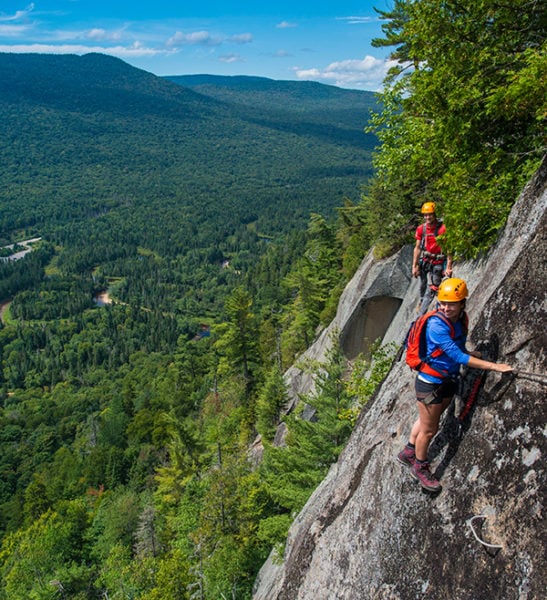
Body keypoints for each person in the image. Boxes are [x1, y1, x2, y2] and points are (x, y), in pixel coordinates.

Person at [397, 278, 513, 492]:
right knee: (430, 429)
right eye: (443, 303)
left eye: (451, 303)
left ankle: (409, 451)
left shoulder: (461, 319)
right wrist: (494, 367)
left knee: (429, 419)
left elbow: (457, 348)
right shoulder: (436, 325)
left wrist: (471, 354)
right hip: (430, 383)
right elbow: (457, 356)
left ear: (462, 303)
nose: (446, 307)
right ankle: (420, 467)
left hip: (446, 379)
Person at [412, 202, 453, 315]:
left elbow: (449, 249)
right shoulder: (421, 229)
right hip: (426, 261)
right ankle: (421, 301)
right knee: (422, 284)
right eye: (425, 215)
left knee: (433, 287)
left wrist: (448, 266)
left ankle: (422, 314)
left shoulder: (442, 229)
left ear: (434, 214)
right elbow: (417, 248)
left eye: (429, 214)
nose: (427, 217)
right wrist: (414, 266)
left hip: (438, 261)